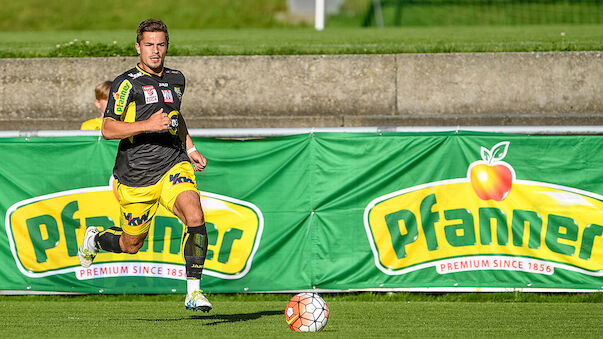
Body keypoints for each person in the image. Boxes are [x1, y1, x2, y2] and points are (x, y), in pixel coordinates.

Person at [77, 19, 212, 312]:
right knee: (131, 244)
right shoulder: (126, 83)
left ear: (167, 46)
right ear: (138, 47)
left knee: (195, 215)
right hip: (137, 175)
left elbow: (176, 116)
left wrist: (190, 147)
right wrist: (146, 125)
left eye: (161, 44)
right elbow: (108, 129)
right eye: (149, 45)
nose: (155, 51)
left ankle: (194, 291)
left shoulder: (177, 78)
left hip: (173, 163)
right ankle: (97, 239)